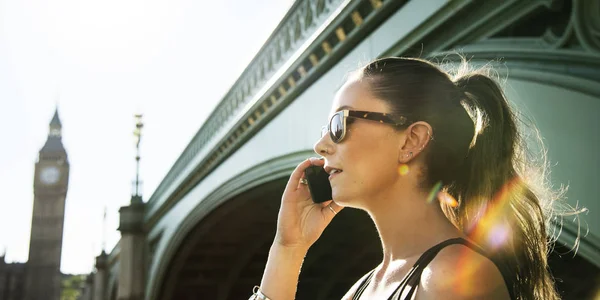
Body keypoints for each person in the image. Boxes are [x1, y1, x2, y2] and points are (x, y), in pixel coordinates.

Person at [251, 57, 565, 299]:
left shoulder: (451, 282)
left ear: (411, 141)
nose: (321, 145)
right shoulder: (367, 286)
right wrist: (289, 247)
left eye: (339, 124)